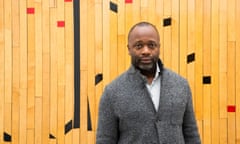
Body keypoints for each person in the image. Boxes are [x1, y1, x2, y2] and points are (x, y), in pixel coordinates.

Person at [96, 21, 201, 144]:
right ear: (129, 49)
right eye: (139, 46)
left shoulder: (181, 85)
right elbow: (105, 139)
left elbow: (191, 134)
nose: (146, 51)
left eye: (151, 45)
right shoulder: (112, 93)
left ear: (159, 48)